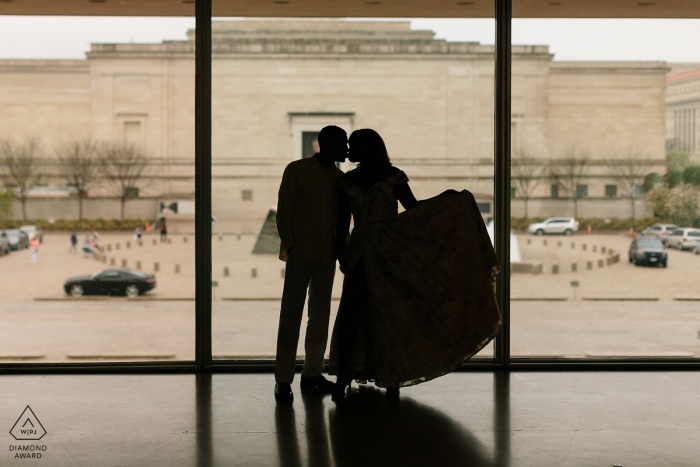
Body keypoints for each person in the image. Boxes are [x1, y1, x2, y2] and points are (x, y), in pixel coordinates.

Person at [329, 129, 502, 400]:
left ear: (366, 149)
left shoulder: (354, 180)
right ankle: (381, 379)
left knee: (362, 313)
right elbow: (411, 207)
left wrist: (447, 202)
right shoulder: (376, 177)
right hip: (383, 250)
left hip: (372, 250)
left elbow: (345, 223)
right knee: (382, 314)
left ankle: (354, 379)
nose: (348, 150)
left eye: (353, 145)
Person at [273, 125, 348, 402]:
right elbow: (284, 210)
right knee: (291, 316)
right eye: (344, 143)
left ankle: (312, 373)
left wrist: (341, 253)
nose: (347, 149)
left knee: (320, 316)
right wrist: (292, 246)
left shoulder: (339, 179)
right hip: (302, 253)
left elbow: (342, 222)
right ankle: (283, 379)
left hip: (325, 254)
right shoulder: (297, 170)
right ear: (327, 144)